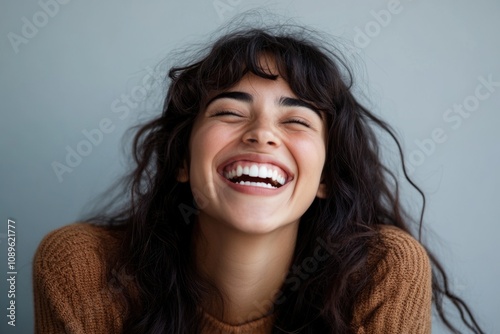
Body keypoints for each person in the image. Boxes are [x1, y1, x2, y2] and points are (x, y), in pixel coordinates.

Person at [33, 23, 484, 334]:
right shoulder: (85, 269)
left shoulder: (381, 273)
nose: (262, 134)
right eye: (230, 112)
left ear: (326, 176)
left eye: (297, 121)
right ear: (183, 162)